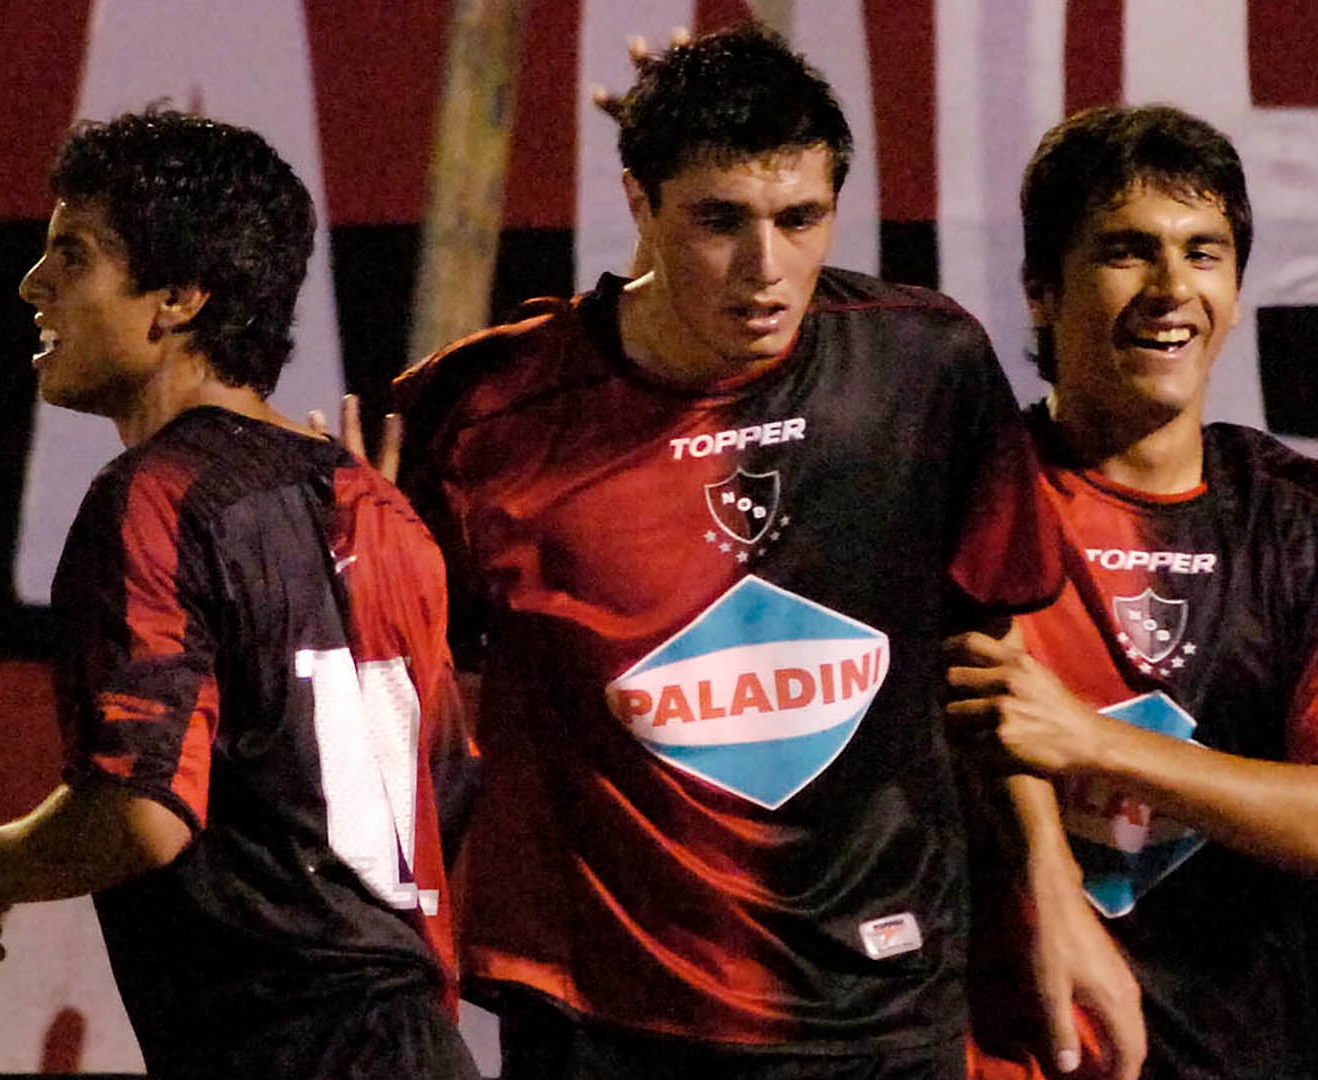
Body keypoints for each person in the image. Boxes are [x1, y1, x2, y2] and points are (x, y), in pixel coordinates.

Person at [383, 23, 1078, 1079]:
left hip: (885, 1002)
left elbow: (991, 662)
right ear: (640, 202)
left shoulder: (925, 367)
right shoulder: (484, 412)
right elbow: (412, 691)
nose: (766, 268)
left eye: (801, 219)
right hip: (606, 1023)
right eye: (720, 221)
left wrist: (1053, 897)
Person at [0, 109, 479, 1080]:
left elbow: (143, 811)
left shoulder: (155, 500)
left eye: (73, 253)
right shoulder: (379, 509)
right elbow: (445, 791)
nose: (33, 282)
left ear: (177, 297)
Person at [945, 104, 1318, 1079]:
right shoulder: (962, 492)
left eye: (1203, 253)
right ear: (1041, 290)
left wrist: (1094, 742)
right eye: (1128, 251)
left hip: (1234, 1052)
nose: (1172, 289)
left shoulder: (1314, 520)